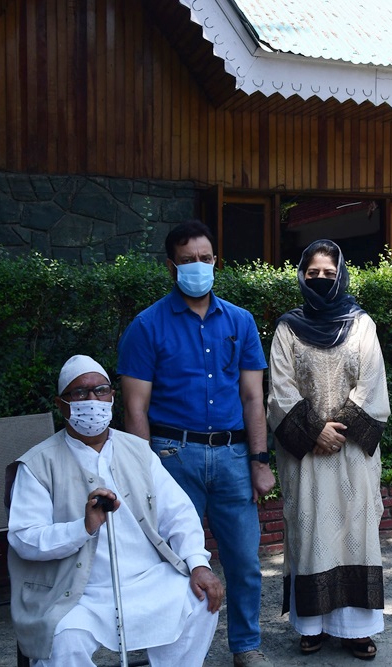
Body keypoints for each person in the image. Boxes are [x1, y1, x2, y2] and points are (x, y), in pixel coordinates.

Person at [118, 220, 276, 667]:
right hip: (172, 456)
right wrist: (144, 473)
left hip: (231, 456)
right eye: (188, 261)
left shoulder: (240, 322)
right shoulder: (146, 326)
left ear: (215, 262)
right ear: (171, 267)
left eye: (205, 259)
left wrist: (260, 461)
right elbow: (135, 408)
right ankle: (170, 647)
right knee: (169, 561)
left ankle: (245, 646)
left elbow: (252, 397)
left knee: (244, 561)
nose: (198, 267)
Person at [8, 354, 224, 666]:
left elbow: (178, 514)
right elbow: (24, 539)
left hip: (147, 579)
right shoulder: (38, 464)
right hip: (77, 593)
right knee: (63, 639)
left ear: (112, 397)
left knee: (199, 601)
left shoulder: (138, 451)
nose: (92, 400)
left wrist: (197, 564)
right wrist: (82, 527)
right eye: (80, 393)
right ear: (61, 404)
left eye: (101, 390)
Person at [267, 240, 390, 661]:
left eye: (329, 274)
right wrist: (314, 433)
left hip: (353, 454)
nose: (320, 280)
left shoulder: (361, 325)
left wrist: (336, 429)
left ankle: (356, 629)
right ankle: (312, 625)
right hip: (306, 457)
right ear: (301, 275)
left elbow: (372, 383)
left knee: (355, 534)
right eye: (312, 273)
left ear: (342, 277)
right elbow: (279, 390)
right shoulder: (287, 327)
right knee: (310, 531)